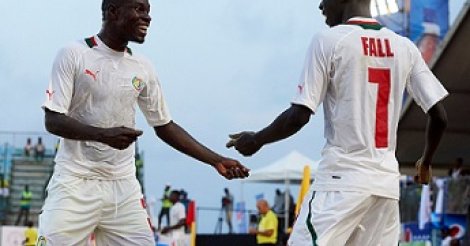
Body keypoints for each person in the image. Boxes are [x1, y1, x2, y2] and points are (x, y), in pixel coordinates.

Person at [227, 0, 448, 244]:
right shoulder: (404, 47)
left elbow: (298, 116)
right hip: (385, 187)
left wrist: (257, 139)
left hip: (341, 182)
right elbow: (439, 116)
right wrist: (426, 161)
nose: (321, 5)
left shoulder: (329, 40)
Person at [39, 0, 250, 245]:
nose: (147, 17)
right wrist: (103, 135)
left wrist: (216, 160)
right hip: (75, 183)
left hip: (123, 187)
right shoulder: (74, 53)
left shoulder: (143, 68)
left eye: (148, 11)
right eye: (139, 9)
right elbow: (53, 120)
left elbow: (165, 126)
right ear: (113, 11)